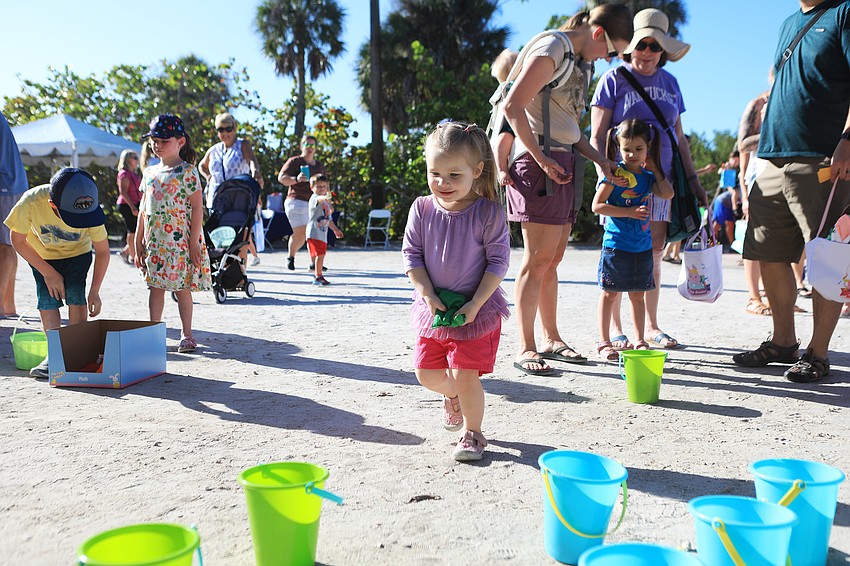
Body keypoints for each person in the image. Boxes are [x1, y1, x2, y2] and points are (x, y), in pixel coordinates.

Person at [502, 4, 633, 375]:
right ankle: (526, 347)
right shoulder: (553, 48)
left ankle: (551, 338)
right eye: (612, 51)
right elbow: (514, 107)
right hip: (538, 163)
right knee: (537, 259)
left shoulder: (581, 61)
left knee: (553, 260)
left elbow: (568, 129)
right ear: (597, 34)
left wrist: (600, 160)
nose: (609, 60)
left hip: (564, 162)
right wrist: (542, 160)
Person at [733, 0, 850, 383]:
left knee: (826, 259)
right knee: (767, 252)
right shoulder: (787, 23)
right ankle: (783, 342)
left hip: (820, 158)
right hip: (771, 155)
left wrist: (848, 138)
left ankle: (818, 353)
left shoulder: (844, 12)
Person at [590, 8, 707, 351]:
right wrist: (606, 175)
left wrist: (693, 180)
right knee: (619, 249)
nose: (647, 52)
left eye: (655, 46)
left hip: (660, 181)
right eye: (642, 44)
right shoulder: (613, 79)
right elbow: (597, 136)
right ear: (631, 47)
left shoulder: (671, 84)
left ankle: (651, 326)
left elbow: (680, 138)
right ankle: (616, 331)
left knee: (652, 252)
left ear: (663, 51)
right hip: (620, 184)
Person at [402, 121, 510, 462]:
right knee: (426, 373)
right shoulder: (421, 208)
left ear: (477, 171)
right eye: (435, 173)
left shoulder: (489, 211)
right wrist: (426, 293)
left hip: (476, 310)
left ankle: (473, 434)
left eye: (454, 175)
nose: (442, 183)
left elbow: (498, 262)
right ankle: (453, 398)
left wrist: (477, 303)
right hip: (433, 307)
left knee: (466, 375)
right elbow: (412, 255)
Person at [4, 168, 110, 378]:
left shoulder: (91, 208)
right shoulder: (31, 202)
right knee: (48, 301)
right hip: (42, 257)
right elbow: (17, 240)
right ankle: (55, 356)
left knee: (76, 297)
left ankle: (79, 352)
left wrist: (95, 290)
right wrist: (48, 273)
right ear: (53, 205)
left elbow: (103, 251)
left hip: (78, 255)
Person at [592, 119, 674, 360]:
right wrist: (628, 212)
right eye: (627, 149)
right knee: (610, 293)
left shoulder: (649, 178)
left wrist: (656, 169)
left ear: (648, 148)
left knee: (638, 295)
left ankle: (639, 339)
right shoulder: (615, 175)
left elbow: (668, 193)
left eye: (639, 149)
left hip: (642, 247)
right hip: (616, 245)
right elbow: (597, 206)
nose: (632, 154)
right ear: (619, 147)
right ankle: (604, 341)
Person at [135, 115, 211, 354]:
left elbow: (198, 207)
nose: (156, 145)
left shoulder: (188, 172)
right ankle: (153, 332)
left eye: (163, 140)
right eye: (153, 141)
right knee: (155, 287)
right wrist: (137, 239)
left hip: (179, 241)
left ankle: (187, 334)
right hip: (155, 241)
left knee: (181, 287)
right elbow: (142, 208)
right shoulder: (149, 172)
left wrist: (193, 242)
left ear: (180, 141)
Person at [277, 134, 326, 271]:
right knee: (302, 232)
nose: (310, 148)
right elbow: (281, 178)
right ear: (301, 146)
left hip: (313, 202)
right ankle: (291, 257)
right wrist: (296, 179)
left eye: (312, 145)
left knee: (312, 232)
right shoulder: (294, 162)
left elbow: (324, 184)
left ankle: (313, 262)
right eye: (307, 144)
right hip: (295, 201)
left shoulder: (318, 166)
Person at [199, 112, 263, 209]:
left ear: (235, 128)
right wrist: (208, 177)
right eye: (221, 130)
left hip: (238, 197)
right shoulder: (214, 150)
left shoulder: (242, 145)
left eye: (228, 129)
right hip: (215, 199)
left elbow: (252, 161)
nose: (225, 133)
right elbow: (202, 166)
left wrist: (255, 172)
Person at [0, 111, 29, 318]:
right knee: (6, 244)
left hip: (6, 185)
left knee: (4, 246)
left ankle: (2, 307)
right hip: (12, 183)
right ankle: (7, 306)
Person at [306, 174, 343, 285]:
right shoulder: (314, 199)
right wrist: (326, 198)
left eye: (324, 186)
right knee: (320, 255)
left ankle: (317, 272)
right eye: (318, 186)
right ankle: (318, 276)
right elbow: (319, 199)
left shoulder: (326, 204)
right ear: (312, 188)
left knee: (321, 255)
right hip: (314, 232)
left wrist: (336, 230)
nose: (321, 188)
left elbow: (329, 219)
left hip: (322, 233)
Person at [489, 48, 519, 187]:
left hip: (515, 118)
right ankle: (501, 169)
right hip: (508, 121)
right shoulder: (511, 85)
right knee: (505, 136)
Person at [115, 149, 142, 265]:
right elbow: (123, 192)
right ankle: (133, 255)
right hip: (127, 205)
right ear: (127, 160)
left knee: (135, 230)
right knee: (132, 231)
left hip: (135, 203)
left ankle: (126, 252)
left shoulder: (134, 174)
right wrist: (132, 207)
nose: (137, 160)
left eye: (137, 157)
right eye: (134, 157)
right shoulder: (124, 174)